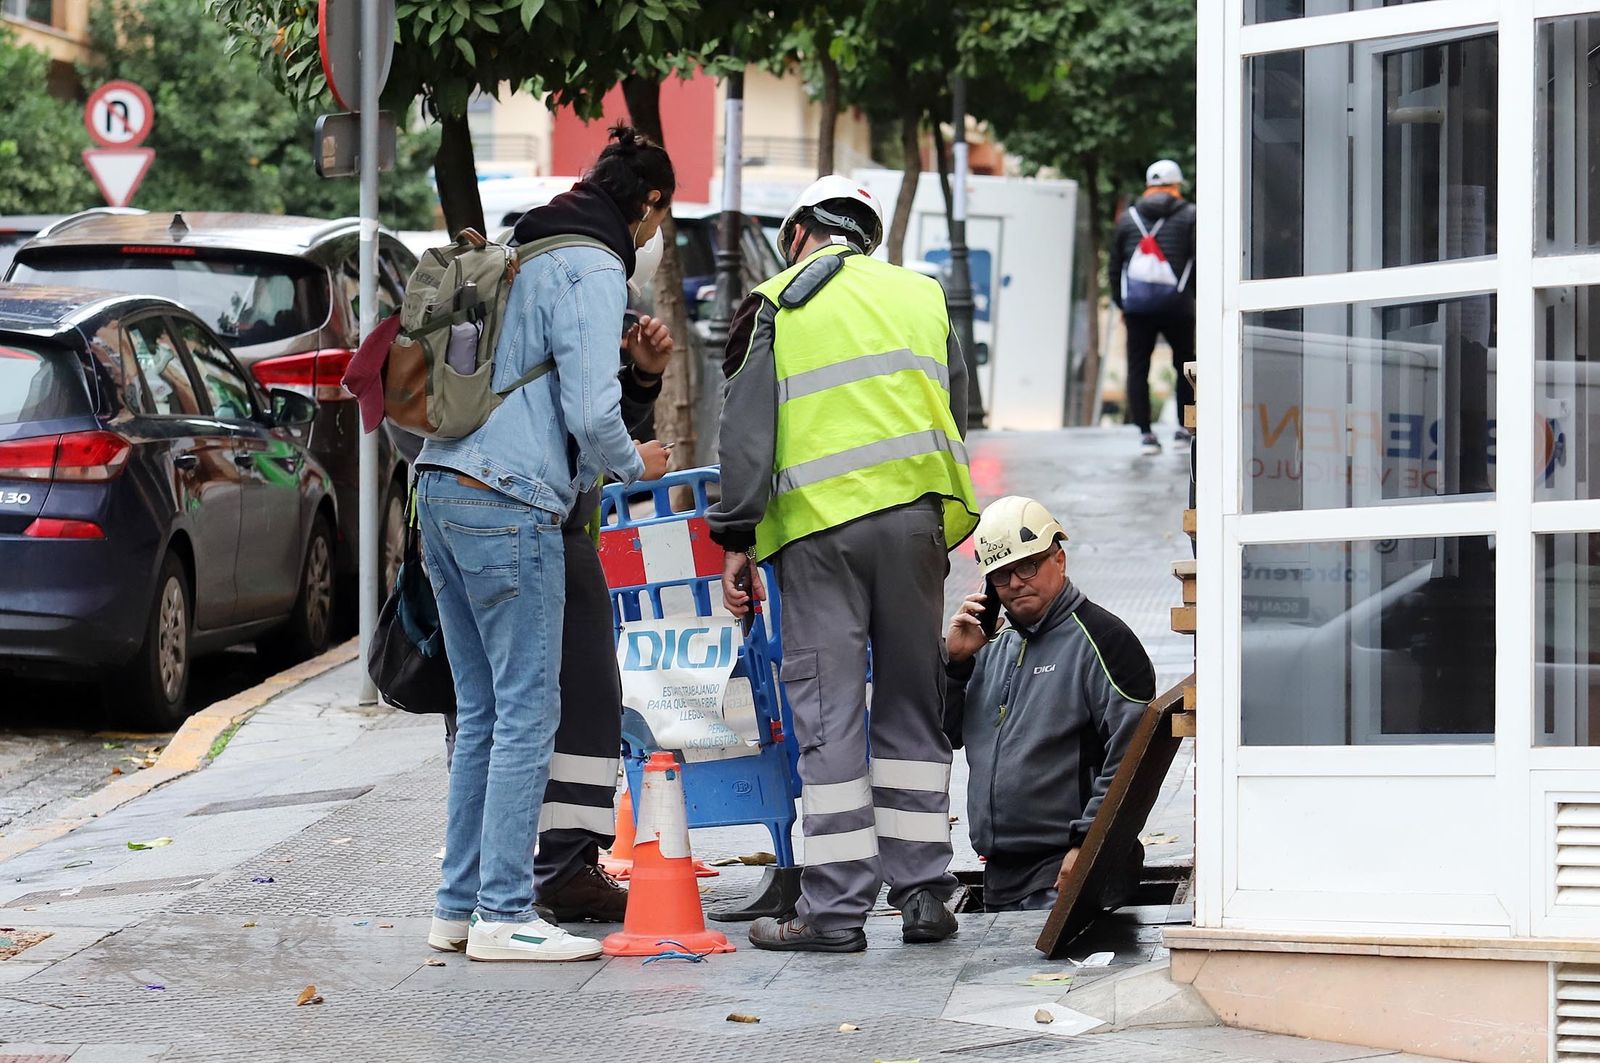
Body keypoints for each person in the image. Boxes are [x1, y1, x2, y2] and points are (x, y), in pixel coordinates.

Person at [416, 125, 674, 963]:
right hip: (509, 497)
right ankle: (503, 912)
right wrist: (637, 462)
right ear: (649, 205)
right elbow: (593, 413)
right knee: (529, 709)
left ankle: (457, 908)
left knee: (483, 714)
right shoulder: (595, 266)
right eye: (658, 221)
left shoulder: (524, 247)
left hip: (440, 485)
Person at [709, 175, 981, 954]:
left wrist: (737, 537)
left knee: (830, 715)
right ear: (866, 233)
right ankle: (923, 891)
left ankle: (832, 911)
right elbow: (955, 409)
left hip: (821, 533)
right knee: (911, 704)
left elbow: (746, 434)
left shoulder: (776, 303)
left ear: (800, 231)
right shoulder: (920, 294)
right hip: (915, 524)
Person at [943, 496, 1155, 913]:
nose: (1015, 582)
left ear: (1059, 559)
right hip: (1004, 877)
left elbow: (1134, 756)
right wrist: (956, 665)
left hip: (1069, 872)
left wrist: (1087, 846)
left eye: (1028, 565)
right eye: (1001, 574)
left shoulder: (1104, 640)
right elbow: (946, 736)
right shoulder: (990, 646)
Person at [1108, 159, 1196, 456]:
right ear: (1176, 186)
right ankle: (1185, 428)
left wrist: (1122, 303)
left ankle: (1146, 434)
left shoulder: (1128, 219)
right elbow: (1198, 260)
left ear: (1148, 187)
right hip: (1178, 306)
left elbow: (1115, 265)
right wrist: (1190, 296)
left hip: (1138, 307)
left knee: (1137, 368)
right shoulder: (1191, 216)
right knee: (1185, 365)